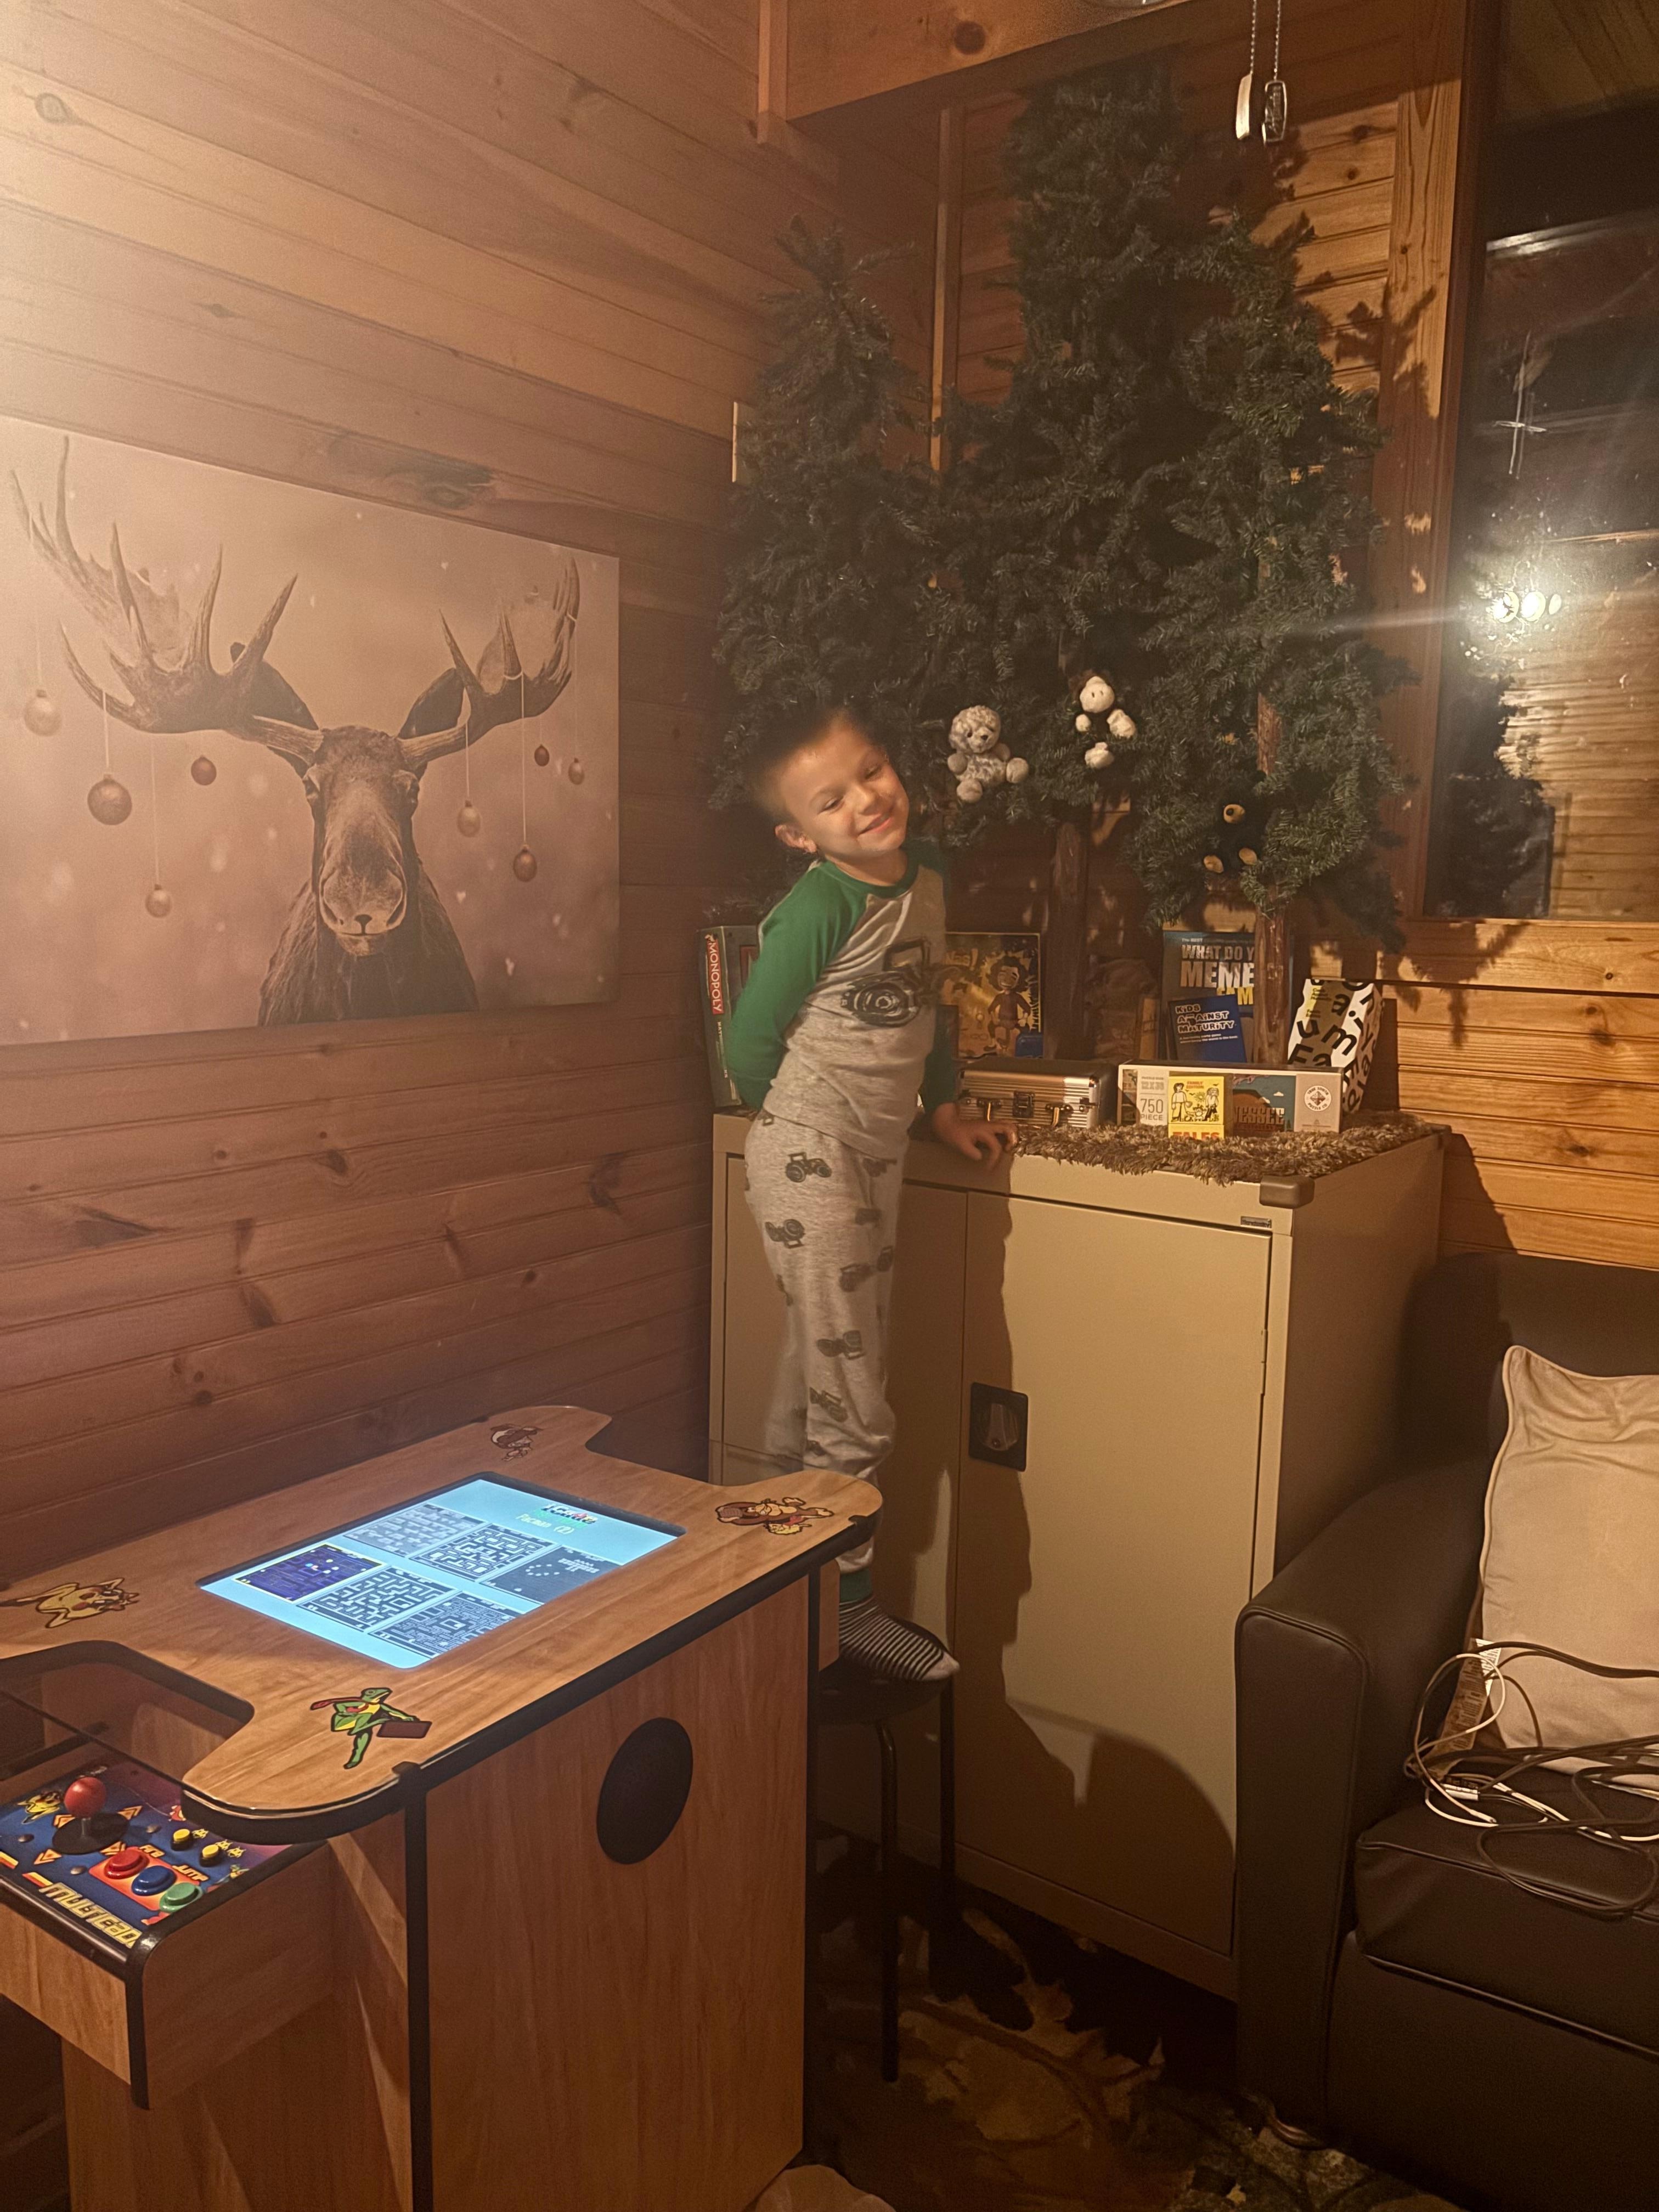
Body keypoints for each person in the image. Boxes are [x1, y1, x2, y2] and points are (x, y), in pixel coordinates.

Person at [724, 704, 1009, 1684]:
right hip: (813, 1152)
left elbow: (927, 1007)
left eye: (873, 770)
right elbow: (748, 1042)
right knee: (854, 1391)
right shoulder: (819, 906)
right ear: (799, 835)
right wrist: (801, 1124)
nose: (866, 801)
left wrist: (943, 1109)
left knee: (817, 1367)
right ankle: (844, 1611)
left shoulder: (926, 872)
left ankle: (769, 1570)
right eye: (831, 800)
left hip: (876, 1153)